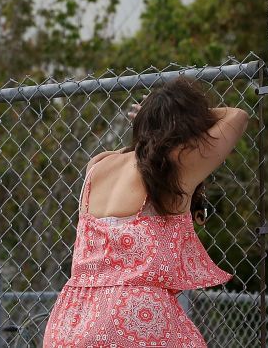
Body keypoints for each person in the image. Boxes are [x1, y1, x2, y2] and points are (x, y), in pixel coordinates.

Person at [42, 77, 249, 347]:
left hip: (72, 319)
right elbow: (238, 116)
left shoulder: (99, 164)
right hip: (132, 317)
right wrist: (183, 117)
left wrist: (152, 116)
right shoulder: (173, 168)